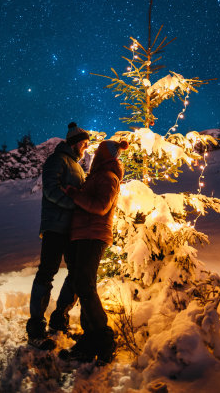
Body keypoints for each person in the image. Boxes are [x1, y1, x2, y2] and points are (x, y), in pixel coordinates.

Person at [58, 139, 129, 364]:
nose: (94, 155)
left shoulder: (108, 177)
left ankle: (104, 339)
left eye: (98, 152)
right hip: (83, 235)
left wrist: (74, 195)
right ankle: (90, 339)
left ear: (105, 155)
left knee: (85, 286)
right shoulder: (97, 176)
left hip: (93, 236)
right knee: (82, 285)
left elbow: (100, 207)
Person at [26, 122, 90, 349]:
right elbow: (51, 190)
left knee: (76, 272)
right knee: (47, 273)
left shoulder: (77, 165)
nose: (86, 147)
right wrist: (74, 206)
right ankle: (35, 327)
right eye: (83, 143)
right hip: (55, 227)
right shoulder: (57, 160)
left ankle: (59, 317)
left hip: (72, 229)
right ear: (74, 143)